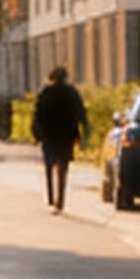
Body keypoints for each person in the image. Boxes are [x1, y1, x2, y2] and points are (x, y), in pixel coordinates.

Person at [29, 69, 89, 212]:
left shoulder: (46, 92)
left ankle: (50, 196)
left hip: (49, 134)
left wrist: (36, 134)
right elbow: (81, 112)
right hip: (67, 134)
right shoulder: (71, 92)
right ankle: (59, 200)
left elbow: (37, 115)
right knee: (63, 167)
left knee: (49, 164)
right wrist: (83, 132)